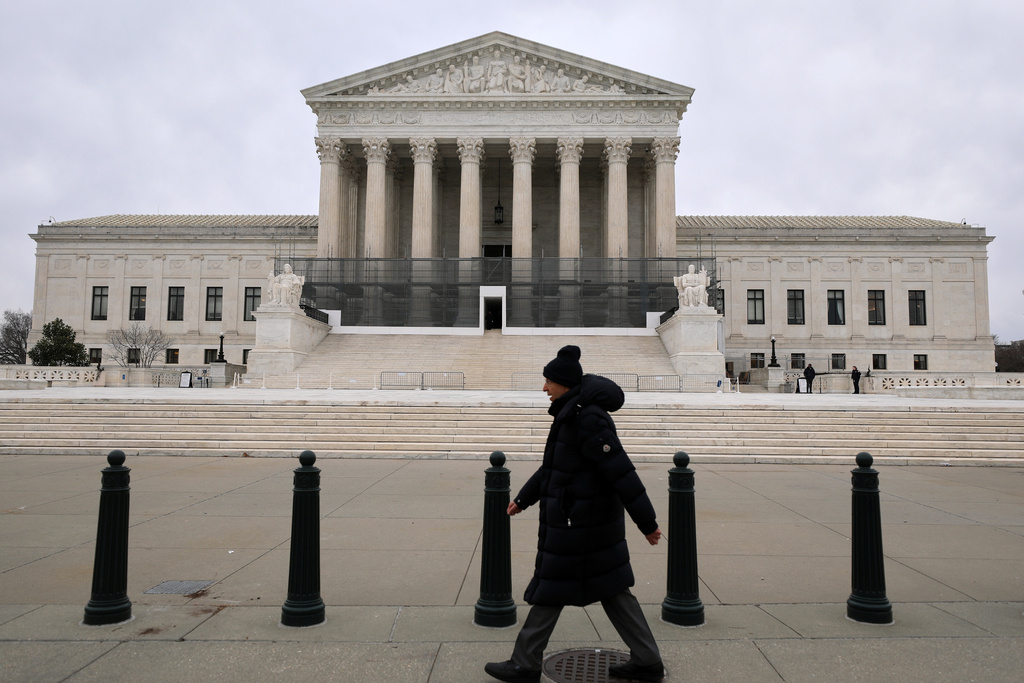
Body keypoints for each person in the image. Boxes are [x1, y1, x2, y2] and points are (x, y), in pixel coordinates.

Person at [485, 346, 665, 683]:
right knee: (612, 590)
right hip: (582, 520)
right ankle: (647, 660)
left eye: (548, 381)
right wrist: (524, 498)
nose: (544, 388)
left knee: (552, 588)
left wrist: (647, 522)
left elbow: (621, 472)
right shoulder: (570, 413)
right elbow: (554, 468)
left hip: (582, 524)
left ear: (565, 384)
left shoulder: (587, 418)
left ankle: (524, 663)